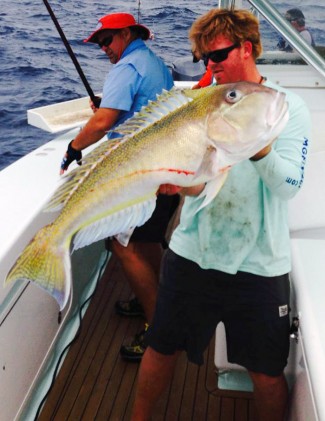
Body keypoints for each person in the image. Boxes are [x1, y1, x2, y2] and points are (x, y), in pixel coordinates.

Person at [131, 8, 311, 421]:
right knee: (161, 346)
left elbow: (289, 186)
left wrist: (259, 145)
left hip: (260, 262)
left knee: (266, 372)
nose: (210, 68)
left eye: (217, 57)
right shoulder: (203, 102)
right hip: (195, 250)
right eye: (204, 61)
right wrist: (178, 183)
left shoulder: (285, 107)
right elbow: (198, 185)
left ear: (246, 48)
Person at [60, 12, 177, 362]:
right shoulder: (153, 62)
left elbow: (102, 121)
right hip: (162, 170)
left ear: (126, 34)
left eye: (107, 40)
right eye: (99, 44)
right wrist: (112, 105)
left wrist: (74, 148)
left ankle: (158, 328)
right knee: (146, 239)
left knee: (121, 244)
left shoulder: (127, 68)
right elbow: (139, 108)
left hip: (141, 175)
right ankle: (152, 301)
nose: (104, 49)